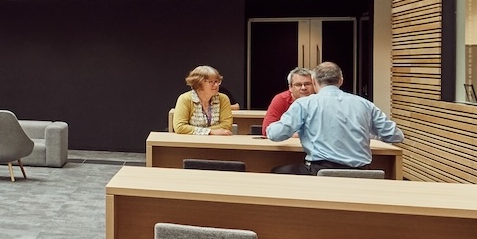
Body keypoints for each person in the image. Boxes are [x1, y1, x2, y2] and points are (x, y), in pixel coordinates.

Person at [266, 62, 405, 175]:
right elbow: (396, 136)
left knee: (277, 172)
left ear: (314, 82)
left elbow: (275, 134)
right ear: (341, 80)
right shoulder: (365, 104)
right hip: (362, 174)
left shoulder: (304, 104)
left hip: (320, 172)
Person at [172, 65, 233, 136]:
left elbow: (226, 125)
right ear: (199, 83)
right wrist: (210, 131)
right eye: (211, 82)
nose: (216, 85)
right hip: (191, 143)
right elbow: (180, 127)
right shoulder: (185, 99)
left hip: (217, 142)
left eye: (217, 81)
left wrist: (199, 131)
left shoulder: (223, 99)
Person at [261, 67, 317, 134]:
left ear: (314, 85)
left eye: (307, 84)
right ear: (290, 87)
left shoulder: (320, 100)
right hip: (290, 142)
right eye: (298, 85)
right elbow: (266, 130)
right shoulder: (281, 99)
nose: (303, 88)